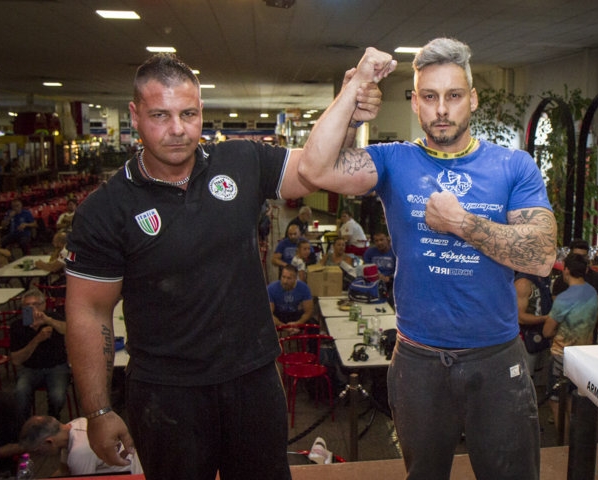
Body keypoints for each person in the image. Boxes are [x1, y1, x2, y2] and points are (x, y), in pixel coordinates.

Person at [63, 49, 394, 480]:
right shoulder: (106, 209)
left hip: (253, 378)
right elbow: (89, 311)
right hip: (168, 394)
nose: (178, 129)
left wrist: (348, 114)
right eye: (160, 115)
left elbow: (316, 169)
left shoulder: (241, 160)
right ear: (135, 115)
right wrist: (98, 410)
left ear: (201, 111)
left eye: (188, 114)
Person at [297, 37, 556, 480]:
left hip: (495, 358)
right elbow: (313, 169)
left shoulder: (513, 166)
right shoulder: (394, 160)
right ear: (415, 102)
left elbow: (543, 255)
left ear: (472, 99)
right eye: (430, 97)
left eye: (453, 96)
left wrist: (463, 223)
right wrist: (352, 97)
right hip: (418, 361)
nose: (442, 109)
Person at [543, 253, 598, 434]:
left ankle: (565, 443)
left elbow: (547, 331)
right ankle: (577, 439)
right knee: (574, 401)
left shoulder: (564, 298)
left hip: (562, 356)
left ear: (566, 270)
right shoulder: (592, 292)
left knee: (556, 401)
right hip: (583, 354)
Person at [10, 288, 70, 425]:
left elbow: (67, 330)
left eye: (36, 304)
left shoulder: (53, 317)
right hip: (30, 369)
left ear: (43, 305)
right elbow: (16, 360)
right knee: (20, 393)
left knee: (57, 396)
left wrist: (49, 320)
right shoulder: (17, 326)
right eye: (27, 305)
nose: (32, 308)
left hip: (57, 367)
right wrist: (37, 339)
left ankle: (53, 420)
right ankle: (24, 425)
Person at [19, 415, 143, 476]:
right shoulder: (75, 425)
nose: (40, 455)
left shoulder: (79, 453)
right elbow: (63, 471)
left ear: (49, 442)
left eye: (38, 451)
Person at [552, 239, 598, 322]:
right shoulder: (560, 281)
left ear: (587, 257)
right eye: (577, 256)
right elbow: (557, 310)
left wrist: (584, 324)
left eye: (583, 257)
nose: (580, 260)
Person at [515, 272, 553, 376]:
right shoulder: (523, 282)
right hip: (527, 337)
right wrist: (546, 318)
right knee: (527, 375)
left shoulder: (544, 279)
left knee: (541, 374)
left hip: (544, 334)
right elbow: (520, 317)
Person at [363, 232, 396, 306]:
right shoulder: (369, 252)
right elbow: (366, 267)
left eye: (381, 240)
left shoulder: (395, 252)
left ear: (387, 240)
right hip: (374, 281)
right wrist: (377, 275)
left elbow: (401, 271)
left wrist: (389, 278)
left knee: (390, 298)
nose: (379, 243)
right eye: (376, 241)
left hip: (391, 282)